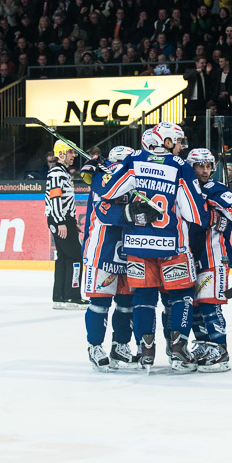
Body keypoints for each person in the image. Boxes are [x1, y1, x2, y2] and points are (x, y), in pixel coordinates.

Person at [95, 122, 210, 373]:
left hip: (137, 246)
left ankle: (145, 350)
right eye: (178, 141)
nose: (181, 147)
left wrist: (96, 173)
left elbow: (106, 189)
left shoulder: (134, 160)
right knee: (181, 297)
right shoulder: (179, 167)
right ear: (166, 142)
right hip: (172, 246)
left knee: (143, 298)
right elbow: (196, 214)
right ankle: (178, 350)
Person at [186, 147, 232, 372]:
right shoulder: (186, 189)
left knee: (209, 302)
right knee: (196, 304)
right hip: (191, 255)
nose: (205, 170)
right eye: (200, 165)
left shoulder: (213, 187)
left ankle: (220, 348)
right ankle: (204, 344)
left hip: (215, 255)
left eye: (208, 166)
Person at [81, 145, 141, 371]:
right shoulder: (101, 180)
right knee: (100, 301)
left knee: (126, 303)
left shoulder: (134, 180)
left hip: (130, 249)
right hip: (102, 250)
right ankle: (95, 345)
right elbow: (105, 213)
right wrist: (131, 212)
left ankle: (120, 346)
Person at [46, 139, 87, 310]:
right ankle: (73, 296)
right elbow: (55, 199)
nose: (73, 155)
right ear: (61, 153)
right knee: (75, 256)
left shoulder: (62, 172)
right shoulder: (57, 173)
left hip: (64, 219)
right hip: (60, 219)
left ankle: (60, 296)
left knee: (63, 258)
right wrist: (61, 221)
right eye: (70, 152)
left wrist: (72, 221)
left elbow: (64, 200)